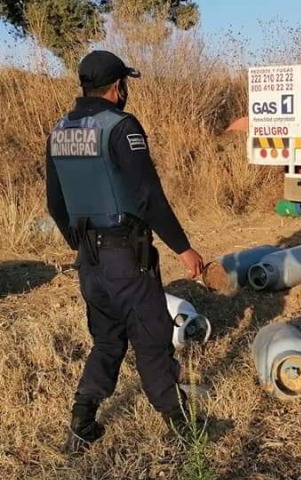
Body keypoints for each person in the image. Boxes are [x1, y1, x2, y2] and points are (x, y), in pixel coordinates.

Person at [45, 50, 205, 453]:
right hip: (124, 256)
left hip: (89, 261)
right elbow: (148, 196)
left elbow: (54, 203)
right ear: (118, 87)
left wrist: (79, 245)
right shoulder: (120, 127)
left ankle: (83, 419)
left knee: (107, 339)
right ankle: (183, 425)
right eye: (125, 84)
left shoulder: (60, 130)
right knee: (151, 336)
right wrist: (184, 249)